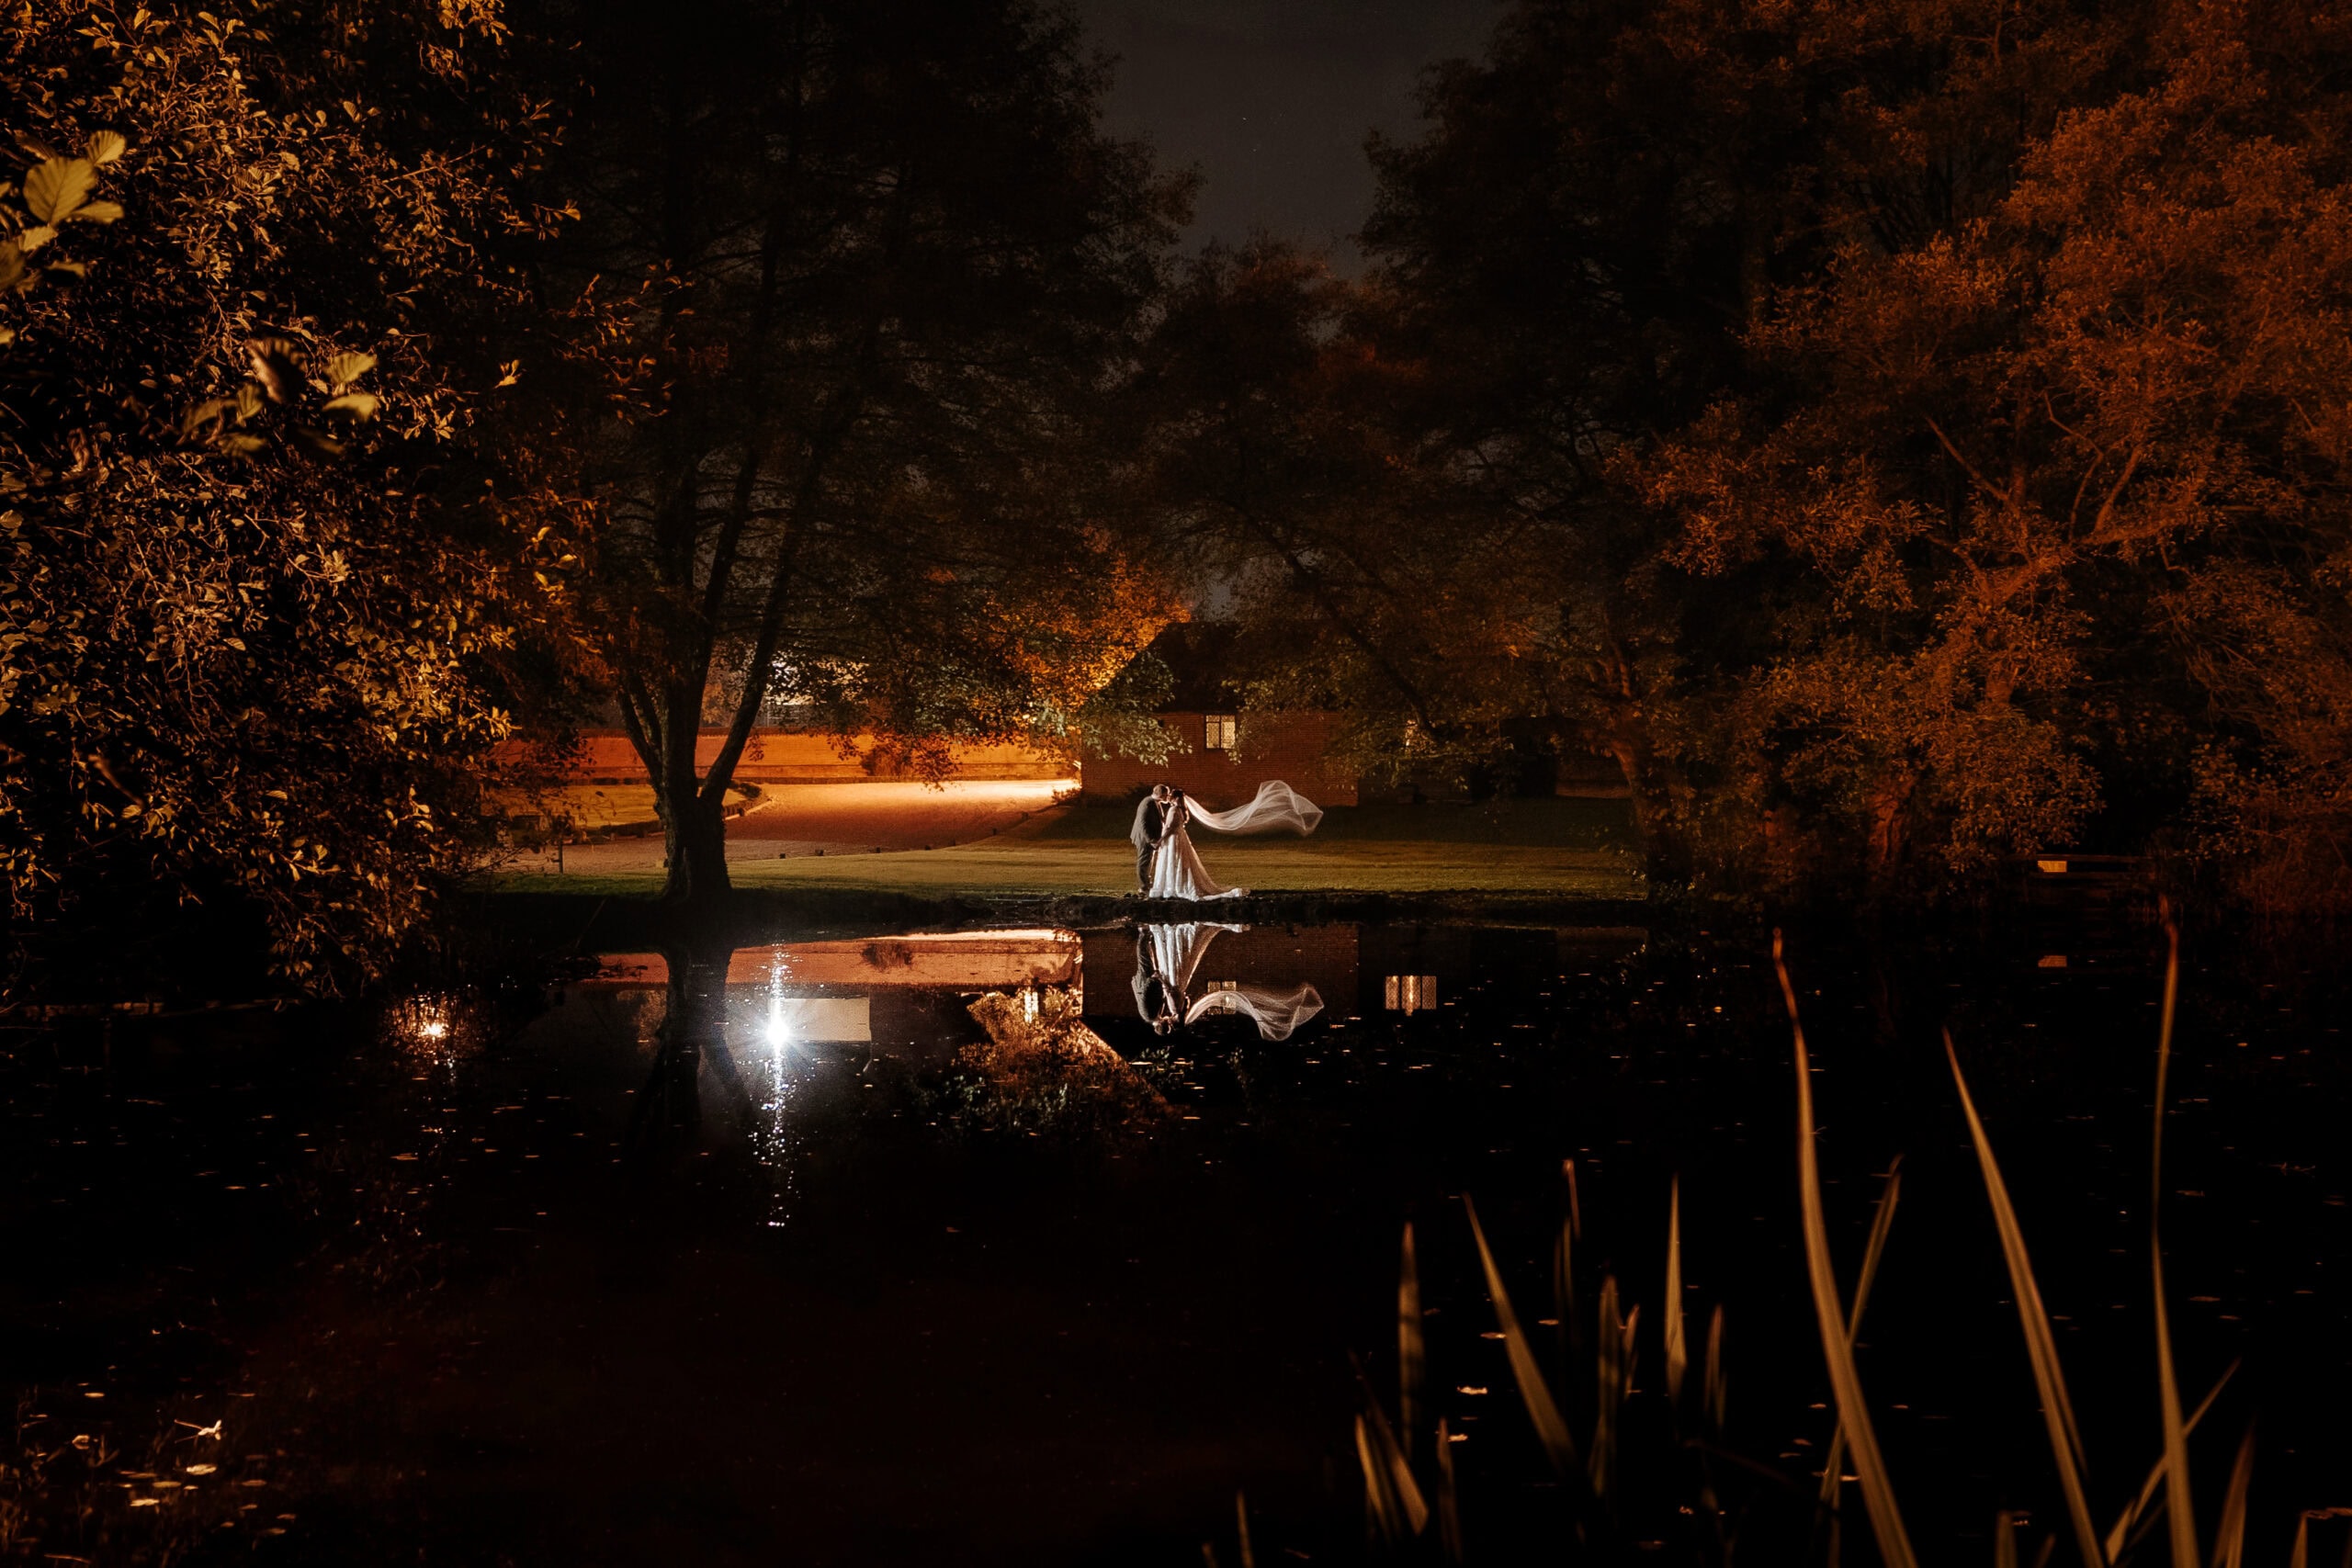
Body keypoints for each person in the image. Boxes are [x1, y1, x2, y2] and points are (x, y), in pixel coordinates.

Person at [1146, 780, 1324, 901]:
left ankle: (1175, 888)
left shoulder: (1173, 811)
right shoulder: (1182, 811)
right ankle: (1179, 885)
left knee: (1176, 863)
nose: (1167, 799)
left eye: (1170, 797)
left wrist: (1160, 840)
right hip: (1181, 839)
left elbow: (1169, 828)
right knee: (1182, 864)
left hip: (1174, 840)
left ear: (1175, 798)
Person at [1128, 783, 1173, 897]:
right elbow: (1142, 823)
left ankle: (1147, 884)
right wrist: (1151, 840)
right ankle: (1143, 888)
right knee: (1143, 862)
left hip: (1150, 838)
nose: (1167, 797)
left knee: (1148, 862)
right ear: (1160, 794)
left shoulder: (1155, 803)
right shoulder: (1147, 803)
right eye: (1166, 794)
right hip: (1144, 838)